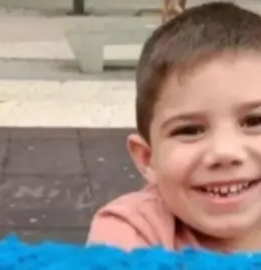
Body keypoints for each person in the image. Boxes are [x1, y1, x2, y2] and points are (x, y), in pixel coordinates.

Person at [87, 2, 261, 253]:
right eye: (190, 130)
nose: (225, 152)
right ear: (148, 158)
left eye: (254, 122)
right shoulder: (132, 229)